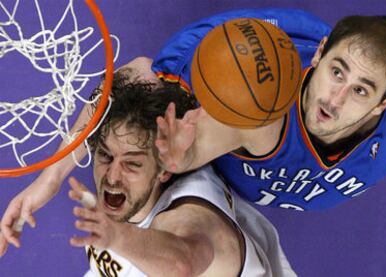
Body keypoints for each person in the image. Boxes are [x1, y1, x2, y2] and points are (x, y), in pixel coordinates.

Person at [7, 69, 297, 276]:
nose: (112, 176)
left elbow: (183, 263)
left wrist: (117, 237)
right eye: (105, 155)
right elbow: (137, 68)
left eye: (132, 164)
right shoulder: (137, 184)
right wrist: (51, 178)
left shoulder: (193, 213)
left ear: (164, 171)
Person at [153, 11, 386, 211]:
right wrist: (178, 157)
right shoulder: (263, 109)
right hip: (196, 59)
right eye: (336, 73)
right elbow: (191, 150)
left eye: (360, 91)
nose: (336, 100)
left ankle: (383, 48)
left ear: (383, 103)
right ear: (319, 56)